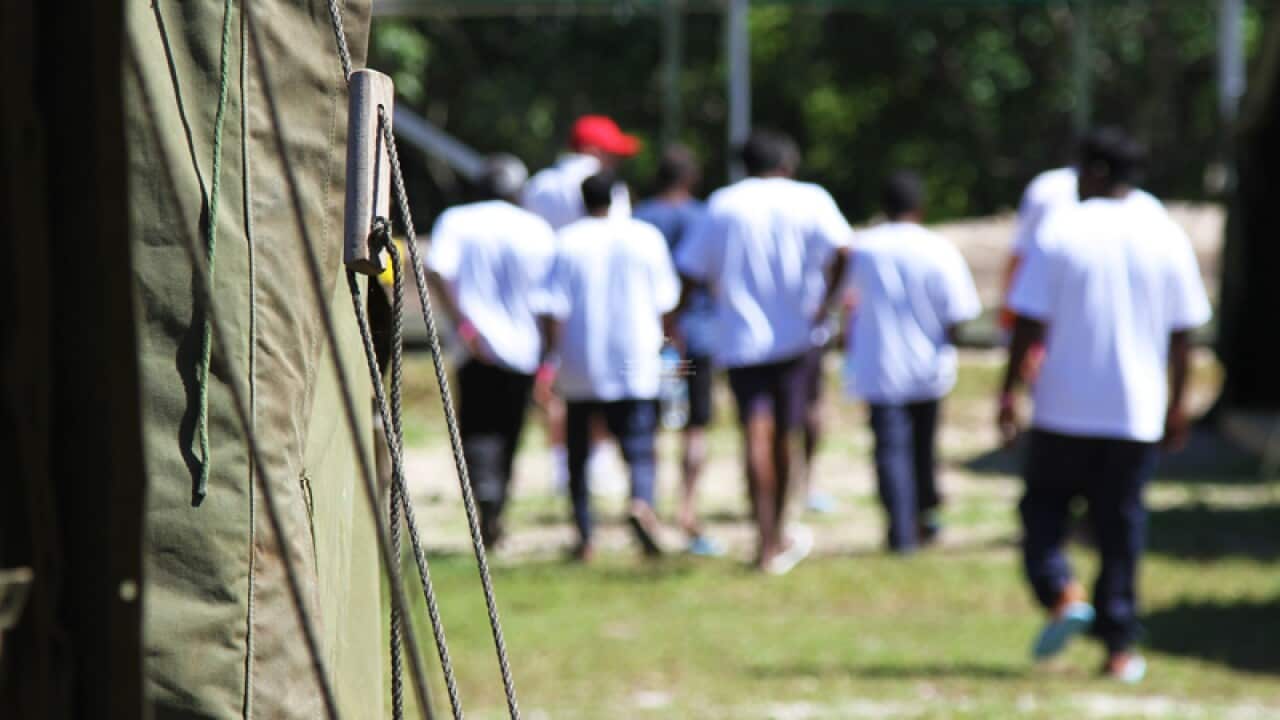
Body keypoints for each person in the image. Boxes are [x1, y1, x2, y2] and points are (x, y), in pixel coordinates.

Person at [998, 128, 1211, 683]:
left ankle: (1061, 591)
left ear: (1090, 172)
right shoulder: (1165, 234)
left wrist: (1009, 389)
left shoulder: (1061, 229)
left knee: (1042, 512)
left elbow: (1027, 318)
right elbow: (1183, 334)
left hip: (1062, 405)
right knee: (1121, 528)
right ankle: (1119, 648)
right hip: (1135, 411)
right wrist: (1177, 405)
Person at [676, 130, 852, 574]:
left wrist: (676, 320)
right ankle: (779, 529)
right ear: (787, 162)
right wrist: (827, 301)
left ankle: (765, 537)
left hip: (740, 336)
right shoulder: (811, 199)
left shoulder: (723, 204)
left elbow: (690, 269)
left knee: (754, 432)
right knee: (784, 436)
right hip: (798, 333)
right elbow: (846, 249)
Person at [537, 171, 680, 561]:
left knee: (579, 452)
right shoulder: (645, 237)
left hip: (581, 359)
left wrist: (549, 359)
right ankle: (640, 501)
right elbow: (667, 301)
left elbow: (553, 309)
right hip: (636, 357)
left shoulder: (566, 241)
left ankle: (585, 535)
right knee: (639, 445)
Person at [842, 171, 981, 553]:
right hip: (928, 369)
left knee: (890, 450)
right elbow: (960, 312)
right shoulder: (938, 248)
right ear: (920, 208)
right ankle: (925, 519)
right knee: (924, 450)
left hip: (881, 367)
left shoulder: (865, 248)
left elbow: (843, 297)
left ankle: (900, 533)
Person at [425, 155, 557, 547]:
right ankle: (497, 506)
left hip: (475, 346)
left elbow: (436, 269)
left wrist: (464, 324)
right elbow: (550, 300)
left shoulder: (457, 220)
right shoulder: (537, 229)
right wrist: (550, 353)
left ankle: (486, 502)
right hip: (524, 347)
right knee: (510, 430)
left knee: (478, 429)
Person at [525, 115, 642, 493]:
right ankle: (599, 459)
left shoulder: (540, 184)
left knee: (554, 378)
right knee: (598, 378)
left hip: (548, 291)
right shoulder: (607, 185)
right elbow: (617, 236)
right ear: (593, 149)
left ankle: (562, 463)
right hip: (599, 292)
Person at [633, 145, 722, 556]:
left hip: (650, 336)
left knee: (648, 423)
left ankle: (645, 502)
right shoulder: (704, 217)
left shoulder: (640, 218)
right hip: (696, 335)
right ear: (691, 178)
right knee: (695, 426)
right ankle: (686, 509)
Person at [525, 114, 640, 230]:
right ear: (590, 149)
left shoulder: (537, 183)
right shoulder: (607, 183)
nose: (617, 161)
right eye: (611, 154)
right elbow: (619, 229)